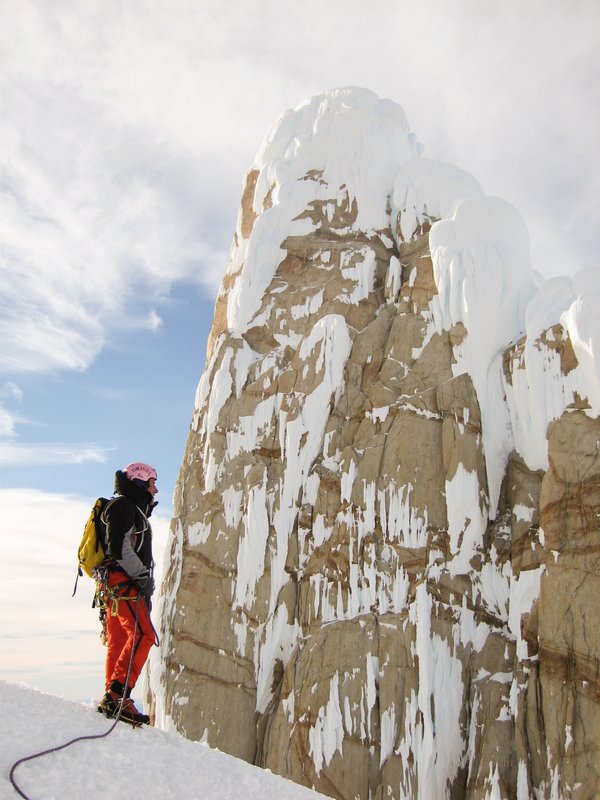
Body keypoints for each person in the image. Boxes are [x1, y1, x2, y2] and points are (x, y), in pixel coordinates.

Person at [96, 462, 158, 726]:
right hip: (124, 582)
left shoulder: (127, 508)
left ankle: (113, 695)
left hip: (115, 584)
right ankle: (117, 695)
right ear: (140, 483)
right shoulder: (123, 506)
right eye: (152, 483)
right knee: (143, 634)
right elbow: (120, 547)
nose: (155, 489)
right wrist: (142, 577)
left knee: (120, 638)